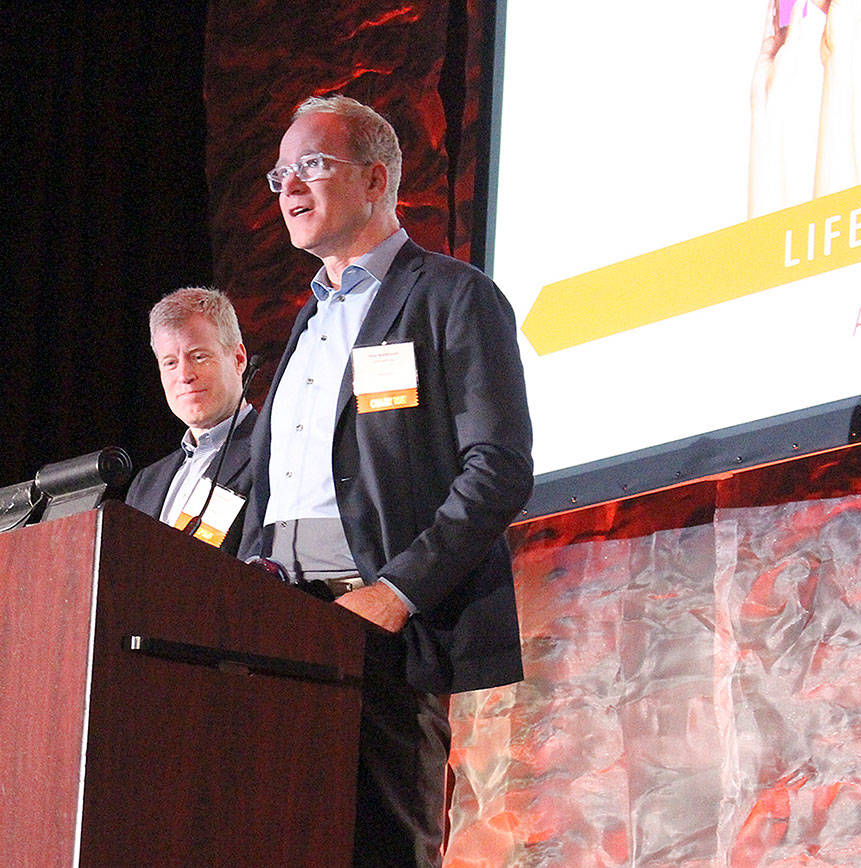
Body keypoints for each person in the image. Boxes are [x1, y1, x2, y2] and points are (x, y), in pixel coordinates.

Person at [238, 96, 534, 867]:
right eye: (280, 174)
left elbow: (499, 469)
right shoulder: (306, 323)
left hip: (377, 628)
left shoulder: (451, 297)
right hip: (275, 622)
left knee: (377, 850)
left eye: (311, 166)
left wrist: (396, 592)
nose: (289, 189)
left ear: (376, 180)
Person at [125, 287, 256, 555]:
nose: (184, 375)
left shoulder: (274, 451)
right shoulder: (145, 484)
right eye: (170, 363)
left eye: (198, 356)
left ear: (238, 359)